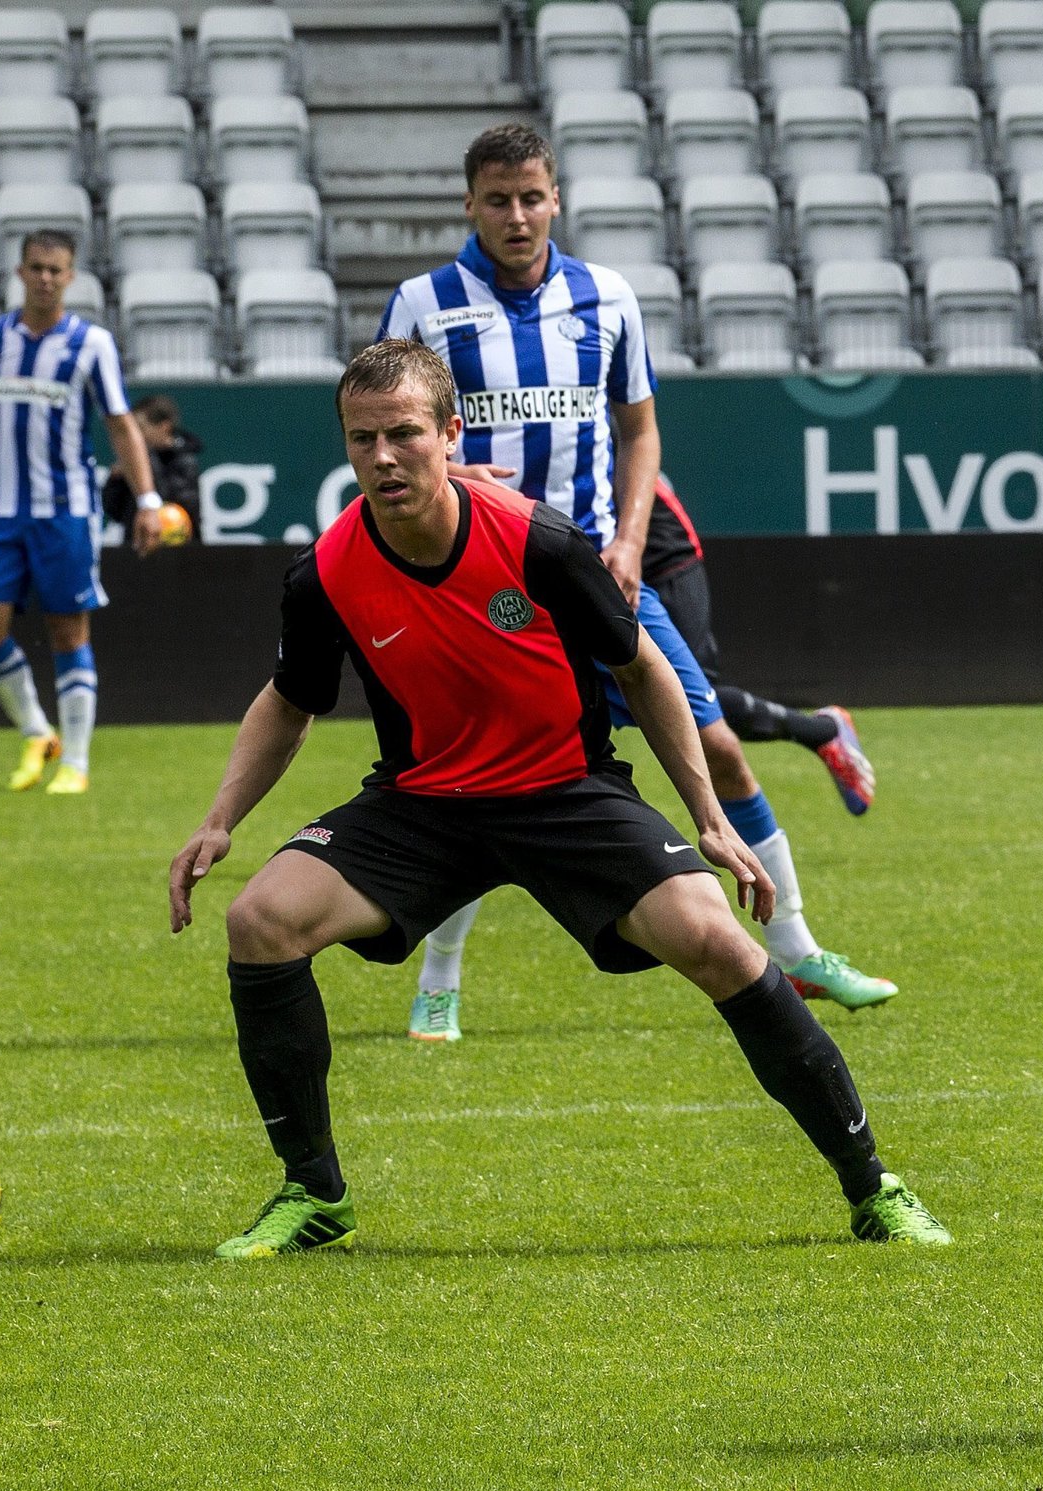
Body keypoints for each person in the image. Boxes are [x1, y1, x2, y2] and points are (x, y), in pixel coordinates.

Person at [166, 340, 950, 1257]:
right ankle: (314, 1196)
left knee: (716, 943)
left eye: (404, 434)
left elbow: (642, 667)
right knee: (261, 921)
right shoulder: (327, 571)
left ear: (451, 434)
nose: (382, 457)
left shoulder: (537, 539)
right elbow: (291, 699)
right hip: (423, 803)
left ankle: (874, 1189)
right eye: (362, 439)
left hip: (565, 792)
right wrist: (221, 819)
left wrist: (707, 817)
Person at [378, 123, 895, 1045]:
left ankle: (800, 948)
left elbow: (639, 431)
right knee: (476, 784)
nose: (517, 215)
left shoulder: (606, 298)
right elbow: (387, 430)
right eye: (497, 199)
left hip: (597, 574)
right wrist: (455, 482)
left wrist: (627, 537)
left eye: (532, 196)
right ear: (470, 204)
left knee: (721, 752)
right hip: (483, 585)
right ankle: (441, 978)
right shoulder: (422, 304)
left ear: (556, 199)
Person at [0, 229, 166, 795]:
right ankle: (38, 731)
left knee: (68, 629)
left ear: (70, 277)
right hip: (2, 511)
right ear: (19, 273)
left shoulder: (91, 343)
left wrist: (147, 500)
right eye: (36, 267)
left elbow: (120, 425)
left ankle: (77, 763)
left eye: (56, 269)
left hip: (66, 511)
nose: (45, 278)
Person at [643, 472, 877, 816]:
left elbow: (637, 448)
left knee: (693, 699)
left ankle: (823, 731)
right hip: (600, 565)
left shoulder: (607, 426)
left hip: (662, 560)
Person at [104, 394, 202, 535]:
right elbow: (115, 512)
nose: (135, 436)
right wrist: (115, 481)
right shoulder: (130, 462)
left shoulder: (185, 460)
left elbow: (179, 508)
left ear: (164, 427)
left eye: (141, 428)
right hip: (137, 545)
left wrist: (147, 464)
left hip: (177, 550)